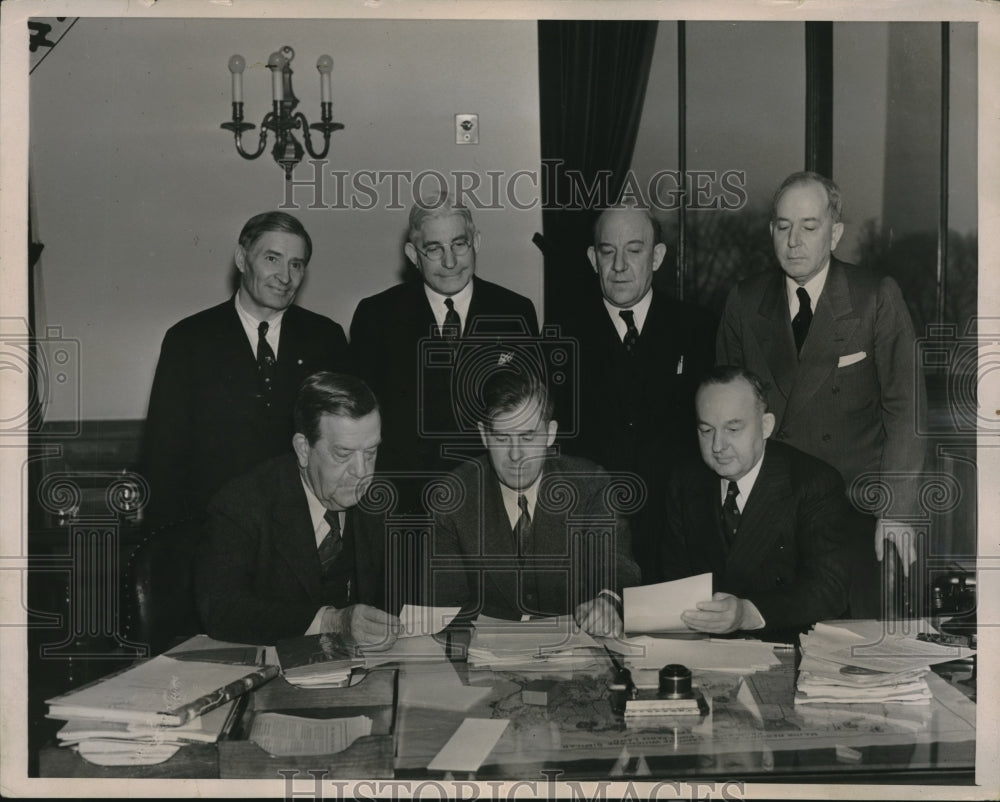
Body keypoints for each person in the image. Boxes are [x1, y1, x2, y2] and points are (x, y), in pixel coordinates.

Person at [716, 172, 927, 614]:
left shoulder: (875, 298)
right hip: (773, 510)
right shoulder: (744, 301)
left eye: (809, 227)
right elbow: (724, 413)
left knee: (849, 654)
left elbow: (907, 411)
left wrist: (899, 509)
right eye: (782, 226)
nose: (793, 241)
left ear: (835, 234)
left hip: (854, 509)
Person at [140, 211, 350, 528]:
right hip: (213, 531)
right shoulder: (189, 340)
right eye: (272, 259)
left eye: (296, 264)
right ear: (242, 258)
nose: (285, 276)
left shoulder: (326, 338)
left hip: (302, 532)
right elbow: (162, 456)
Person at [560, 206, 716, 583]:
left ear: (657, 256)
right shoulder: (560, 335)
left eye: (634, 250)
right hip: (591, 537)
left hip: (675, 537)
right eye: (607, 251)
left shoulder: (699, 330)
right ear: (592, 259)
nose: (619, 265)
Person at [349, 193, 539, 501]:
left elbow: (527, 417)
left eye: (459, 244)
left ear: (476, 241)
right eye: (434, 249)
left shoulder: (515, 311)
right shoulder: (377, 316)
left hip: (489, 499)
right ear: (413, 254)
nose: (449, 262)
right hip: (404, 502)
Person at [430, 363, 641, 636]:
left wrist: (608, 601)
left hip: (575, 665)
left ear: (550, 434)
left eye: (528, 437)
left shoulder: (590, 484)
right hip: (484, 663)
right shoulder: (453, 497)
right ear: (484, 435)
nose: (516, 456)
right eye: (502, 439)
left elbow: (617, 564)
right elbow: (444, 605)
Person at [196, 372, 402, 646]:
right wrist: (331, 621)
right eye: (343, 454)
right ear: (303, 449)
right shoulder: (241, 505)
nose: (362, 472)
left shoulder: (380, 501)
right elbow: (222, 611)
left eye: (371, 453)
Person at [662, 367, 851, 637]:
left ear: (766, 426)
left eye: (733, 429)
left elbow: (829, 590)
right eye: (706, 430)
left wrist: (747, 613)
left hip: (795, 645)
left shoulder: (814, 482)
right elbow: (674, 580)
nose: (718, 446)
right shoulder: (685, 481)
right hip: (706, 649)